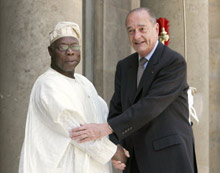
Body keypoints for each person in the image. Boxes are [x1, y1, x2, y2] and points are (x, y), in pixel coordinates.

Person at [70, 8, 198, 173]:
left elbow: (150, 106)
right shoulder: (124, 66)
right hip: (134, 160)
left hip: (169, 159)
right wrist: (115, 147)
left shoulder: (173, 62)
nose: (137, 36)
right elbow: (117, 107)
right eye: (131, 31)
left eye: (142, 29)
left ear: (156, 29)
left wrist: (105, 128)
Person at [18, 21, 129, 173]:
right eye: (62, 47)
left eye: (74, 46)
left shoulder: (85, 83)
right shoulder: (48, 84)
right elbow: (76, 130)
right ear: (50, 51)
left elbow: (103, 120)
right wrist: (114, 152)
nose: (70, 52)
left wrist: (116, 145)